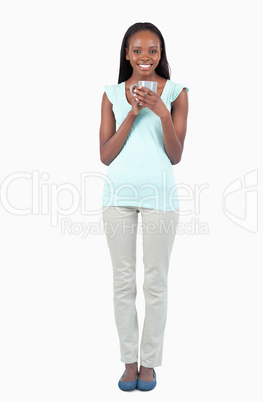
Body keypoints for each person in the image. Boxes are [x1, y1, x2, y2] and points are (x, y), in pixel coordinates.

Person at [99, 22, 189, 391]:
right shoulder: (110, 94)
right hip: (117, 198)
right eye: (137, 50)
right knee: (123, 284)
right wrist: (133, 112)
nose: (145, 57)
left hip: (160, 199)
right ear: (127, 55)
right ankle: (129, 362)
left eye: (153, 50)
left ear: (161, 55)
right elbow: (105, 155)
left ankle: (149, 364)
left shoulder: (178, 93)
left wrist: (161, 112)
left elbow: (176, 154)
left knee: (156, 284)